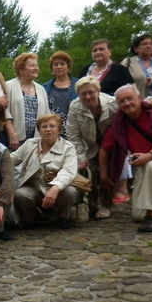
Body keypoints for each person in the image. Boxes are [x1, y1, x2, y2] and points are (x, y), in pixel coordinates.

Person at [99, 84, 152, 232]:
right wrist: (104, 176)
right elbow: (104, 150)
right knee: (138, 215)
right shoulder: (119, 123)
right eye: (122, 101)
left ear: (139, 98)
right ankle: (149, 211)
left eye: (129, 98)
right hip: (142, 165)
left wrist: (149, 155)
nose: (126, 103)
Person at [10, 114, 78, 229]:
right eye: (44, 126)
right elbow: (12, 159)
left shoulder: (68, 147)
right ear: (39, 130)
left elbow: (68, 171)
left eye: (52, 126)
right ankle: (31, 217)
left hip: (57, 190)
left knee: (70, 192)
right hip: (35, 189)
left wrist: (55, 189)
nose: (48, 129)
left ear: (59, 130)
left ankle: (63, 217)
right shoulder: (29, 144)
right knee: (20, 194)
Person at [65, 77, 118, 219]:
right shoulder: (75, 107)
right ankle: (92, 205)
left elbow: (133, 103)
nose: (87, 96)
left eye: (90, 92)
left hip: (111, 145)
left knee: (106, 174)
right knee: (91, 172)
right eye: (83, 94)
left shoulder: (112, 103)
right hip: (90, 146)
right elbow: (73, 134)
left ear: (98, 91)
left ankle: (106, 204)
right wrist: (81, 156)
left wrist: (150, 99)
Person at [6, 52, 50, 149]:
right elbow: (5, 113)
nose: (36, 68)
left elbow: (47, 115)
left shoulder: (41, 89)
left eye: (37, 66)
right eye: (32, 65)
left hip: (37, 140)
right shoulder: (9, 86)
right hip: (16, 140)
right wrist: (12, 135)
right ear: (21, 69)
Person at [122, 34, 152, 109]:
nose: (148, 46)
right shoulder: (128, 63)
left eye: (150, 44)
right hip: (140, 109)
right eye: (144, 44)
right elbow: (121, 85)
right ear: (136, 49)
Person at [43, 51, 78, 136]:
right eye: (55, 64)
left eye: (62, 64)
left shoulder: (78, 85)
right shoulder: (44, 87)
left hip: (74, 129)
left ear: (68, 67)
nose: (59, 67)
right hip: (51, 131)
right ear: (52, 68)